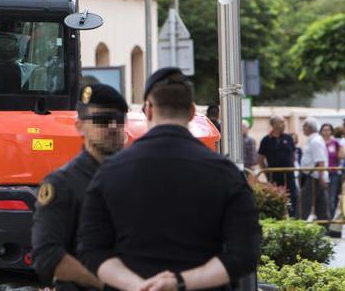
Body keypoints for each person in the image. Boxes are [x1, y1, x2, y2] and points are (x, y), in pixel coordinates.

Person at [77, 67, 260, 291]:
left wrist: (140, 286)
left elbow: (91, 251)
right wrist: (180, 283)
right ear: (192, 112)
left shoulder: (109, 173)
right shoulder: (226, 174)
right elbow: (245, 254)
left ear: (149, 109)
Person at [31, 84, 128, 290]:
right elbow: (48, 256)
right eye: (101, 120)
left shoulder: (136, 178)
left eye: (118, 120)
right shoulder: (61, 184)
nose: (112, 127)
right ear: (80, 126)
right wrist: (103, 285)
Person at [258, 116, 299, 217]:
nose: (284, 124)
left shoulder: (288, 138)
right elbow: (260, 158)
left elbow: (293, 154)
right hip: (274, 176)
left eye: (284, 122)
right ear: (274, 125)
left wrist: (292, 165)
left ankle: (293, 219)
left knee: (293, 198)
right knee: (276, 200)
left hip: (289, 176)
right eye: (281, 122)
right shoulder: (266, 140)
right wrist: (266, 171)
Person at [299, 119, 329, 221]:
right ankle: (324, 226)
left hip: (314, 177)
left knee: (304, 203)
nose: (303, 129)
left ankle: (299, 226)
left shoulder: (315, 141)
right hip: (315, 176)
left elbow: (320, 160)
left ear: (309, 127)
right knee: (320, 204)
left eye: (304, 126)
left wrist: (321, 177)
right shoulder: (314, 140)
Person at [320, 123, 343, 218]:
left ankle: (332, 220)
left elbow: (341, 156)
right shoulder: (319, 142)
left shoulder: (336, 143)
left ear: (331, 131)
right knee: (323, 198)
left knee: (332, 199)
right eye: (324, 130)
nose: (326, 132)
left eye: (328, 130)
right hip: (322, 174)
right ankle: (324, 218)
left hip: (333, 174)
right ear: (321, 131)